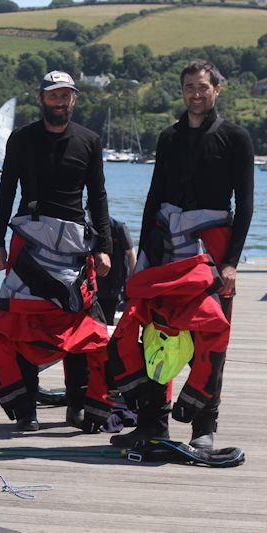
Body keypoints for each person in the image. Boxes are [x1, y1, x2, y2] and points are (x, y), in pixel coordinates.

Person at [108, 60, 254, 450]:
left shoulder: (236, 137)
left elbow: (246, 206)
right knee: (157, 329)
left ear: (217, 90)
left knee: (210, 335)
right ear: (182, 90)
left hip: (212, 251)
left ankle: (204, 424)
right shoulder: (169, 137)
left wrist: (231, 263)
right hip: (167, 246)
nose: (196, 94)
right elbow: (154, 198)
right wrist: (142, 258)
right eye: (189, 87)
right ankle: (153, 421)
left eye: (203, 87)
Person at [0, 71, 114, 433]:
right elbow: (5, 192)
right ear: (41, 98)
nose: (59, 102)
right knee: (19, 325)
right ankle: (27, 411)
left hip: (74, 246)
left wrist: (104, 247)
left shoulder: (89, 141)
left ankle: (77, 407)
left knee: (81, 328)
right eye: (53, 96)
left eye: (65, 96)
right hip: (29, 240)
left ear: (75, 100)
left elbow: (98, 198)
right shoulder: (22, 139)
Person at [92, 210, 136, 325]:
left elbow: (131, 254)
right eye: (89, 213)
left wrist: (133, 278)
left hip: (116, 282)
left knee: (109, 315)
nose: (91, 216)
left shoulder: (119, 227)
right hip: (98, 283)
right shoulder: (90, 228)